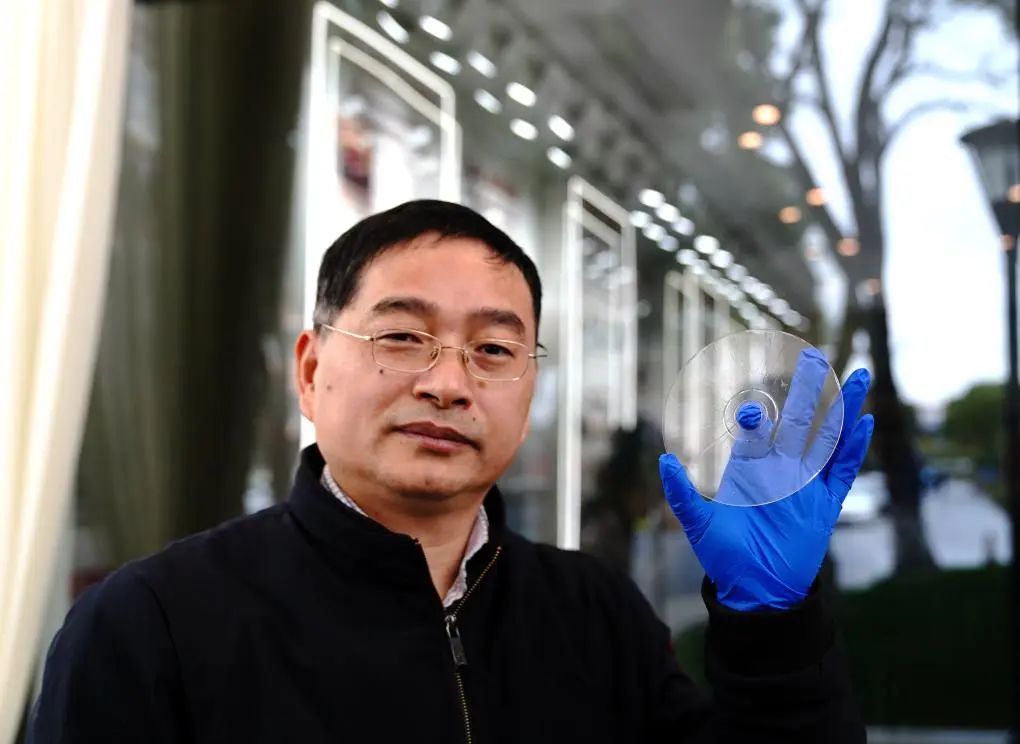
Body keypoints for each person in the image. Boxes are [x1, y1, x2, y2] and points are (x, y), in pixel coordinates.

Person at [30, 199, 873, 742]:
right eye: (402, 336)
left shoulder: (595, 616)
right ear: (312, 370)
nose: (448, 382)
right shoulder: (148, 626)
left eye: (494, 350)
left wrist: (774, 632)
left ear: (529, 391)